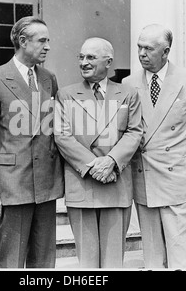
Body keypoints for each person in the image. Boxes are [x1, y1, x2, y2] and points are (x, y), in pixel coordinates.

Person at [0, 16, 64, 268]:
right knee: (12, 259)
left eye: (49, 41)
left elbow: (52, 130)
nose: (47, 46)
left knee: (45, 259)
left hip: (46, 183)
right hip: (13, 184)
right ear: (23, 42)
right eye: (42, 41)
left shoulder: (49, 78)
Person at [124, 24, 186, 268]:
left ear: (166, 51)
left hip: (178, 177)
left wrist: (181, 160)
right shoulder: (129, 82)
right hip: (145, 177)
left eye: (149, 48)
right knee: (152, 254)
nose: (141, 53)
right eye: (139, 47)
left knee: (180, 252)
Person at [54, 37, 143, 268]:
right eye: (81, 57)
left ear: (109, 61)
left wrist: (112, 161)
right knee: (87, 262)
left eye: (91, 57)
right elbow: (62, 136)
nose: (83, 62)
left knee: (114, 261)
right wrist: (95, 166)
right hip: (82, 182)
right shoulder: (66, 94)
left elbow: (134, 132)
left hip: (116, 182)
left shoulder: (128, 93)